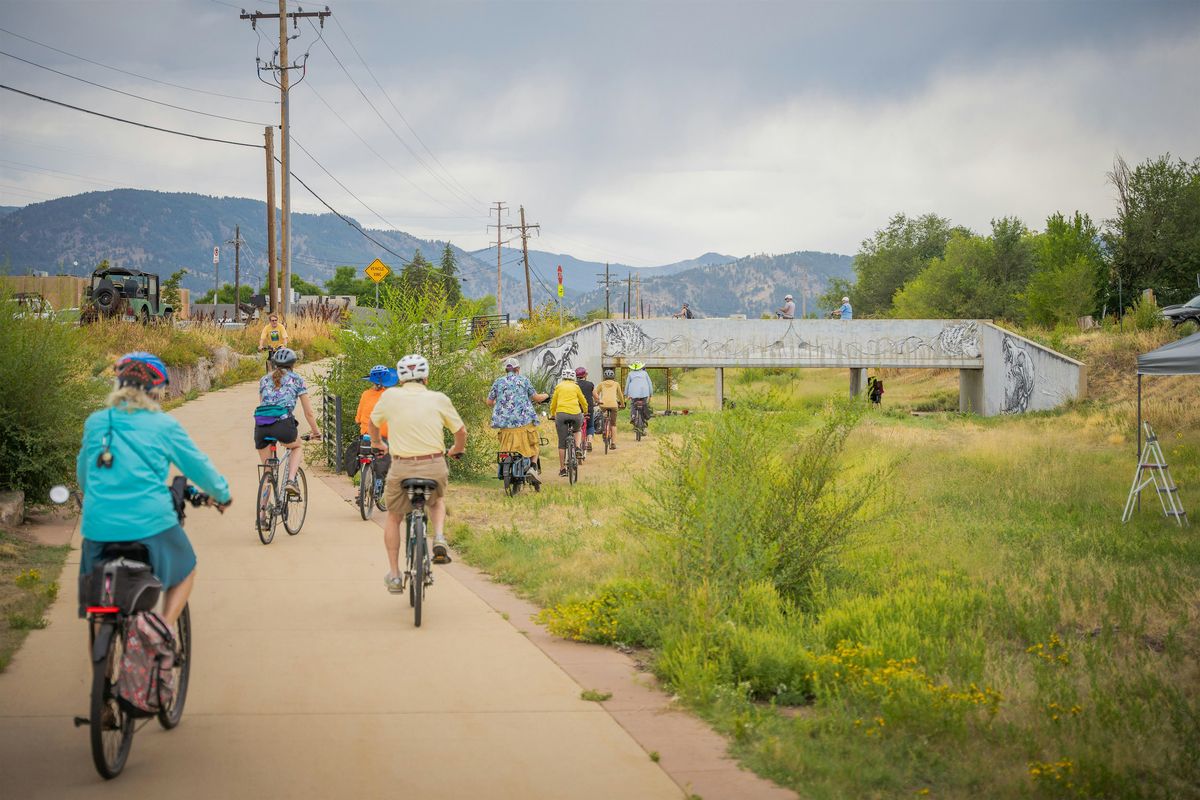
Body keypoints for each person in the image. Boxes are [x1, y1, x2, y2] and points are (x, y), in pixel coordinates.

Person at [77, 352, 232, 628]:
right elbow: (198, 466)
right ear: (156, 390)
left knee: (100, 610)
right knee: (185, 570)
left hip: (99, 524)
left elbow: (84, 476)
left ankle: (102, 666)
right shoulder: (163, 426)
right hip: (150, 523)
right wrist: (221, 494)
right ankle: (160, 630)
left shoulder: (96, 422)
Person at [369, 354, 467, 586]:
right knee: (436, 500)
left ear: (400, 378)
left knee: (393, 516)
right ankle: (440, 537)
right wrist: (456, 449)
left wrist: (378, 444)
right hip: (434, 464)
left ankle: (394, 575)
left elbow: (373, 424)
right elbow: (461, 431)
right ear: (426, 377)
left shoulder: (390, 396)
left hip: (402, 465)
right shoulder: (438, 398)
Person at [253, 347, 322, 507]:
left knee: (267, 471)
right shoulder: (297, 379)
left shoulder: (264, 379)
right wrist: (316, 432)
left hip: (261, 425)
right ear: (293, 364)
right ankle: (291, 480)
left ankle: (262, 514)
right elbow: (309, 413)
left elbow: (263, 403)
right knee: (297, 446)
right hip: (283, 424)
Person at [486, 357, 549, 482]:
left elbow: (489, 402)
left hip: (505, 424)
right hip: (523, 422)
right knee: (534, 443)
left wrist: (501, 405)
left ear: (506, 370)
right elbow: (536, 398)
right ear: (518, 369)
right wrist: (547, 395)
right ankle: (532, 467)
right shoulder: (523, 380)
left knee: (506, 446)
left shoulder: (498, 382)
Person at [355, 364, 397, 480]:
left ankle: (363, 488)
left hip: (366, 435)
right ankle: (380, 483)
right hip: (384, 436)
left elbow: (358, 419)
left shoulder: (365, 394)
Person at [547, 367, 589, 477]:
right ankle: (578, 447)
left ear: (563, 377)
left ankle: (562, 469)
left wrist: (552, 413)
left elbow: (553, 403)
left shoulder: (558, 386)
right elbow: (583, 400)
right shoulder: (576, 386)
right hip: (575, 413)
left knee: (562, 443)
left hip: (561, 415)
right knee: (577, 429)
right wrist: (585, 411)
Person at [593, 368, 625, 449]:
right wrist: (622, 404)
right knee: (613, 424)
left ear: (604, 377)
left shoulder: (601, 384)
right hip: (614, 405)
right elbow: (620, 395)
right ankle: (613, 443)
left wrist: (597, 401)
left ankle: (603, 427)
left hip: (603, 404)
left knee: (602, 415)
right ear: (613, 377)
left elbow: (596, 393)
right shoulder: (616, 384)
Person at [624, 361, 653, 432]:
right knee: (645, 404)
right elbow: (650, 384)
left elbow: (627, 385)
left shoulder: (630, 374)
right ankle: (645, 418)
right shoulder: (645, 373)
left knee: (633, 405)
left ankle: (633, 416)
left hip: (633, 394)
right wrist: (651, 394)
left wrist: (626, 394)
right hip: (644, 393)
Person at [574, 366, 597, 454]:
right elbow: (596, 396)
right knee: (590, 426)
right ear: (585, 375)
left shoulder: (574, 385)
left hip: (576, 409)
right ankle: (589, 441)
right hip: (588, 409)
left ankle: (576, 444)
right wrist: (598, 401)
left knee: (576, 428)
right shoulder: (590, 384)